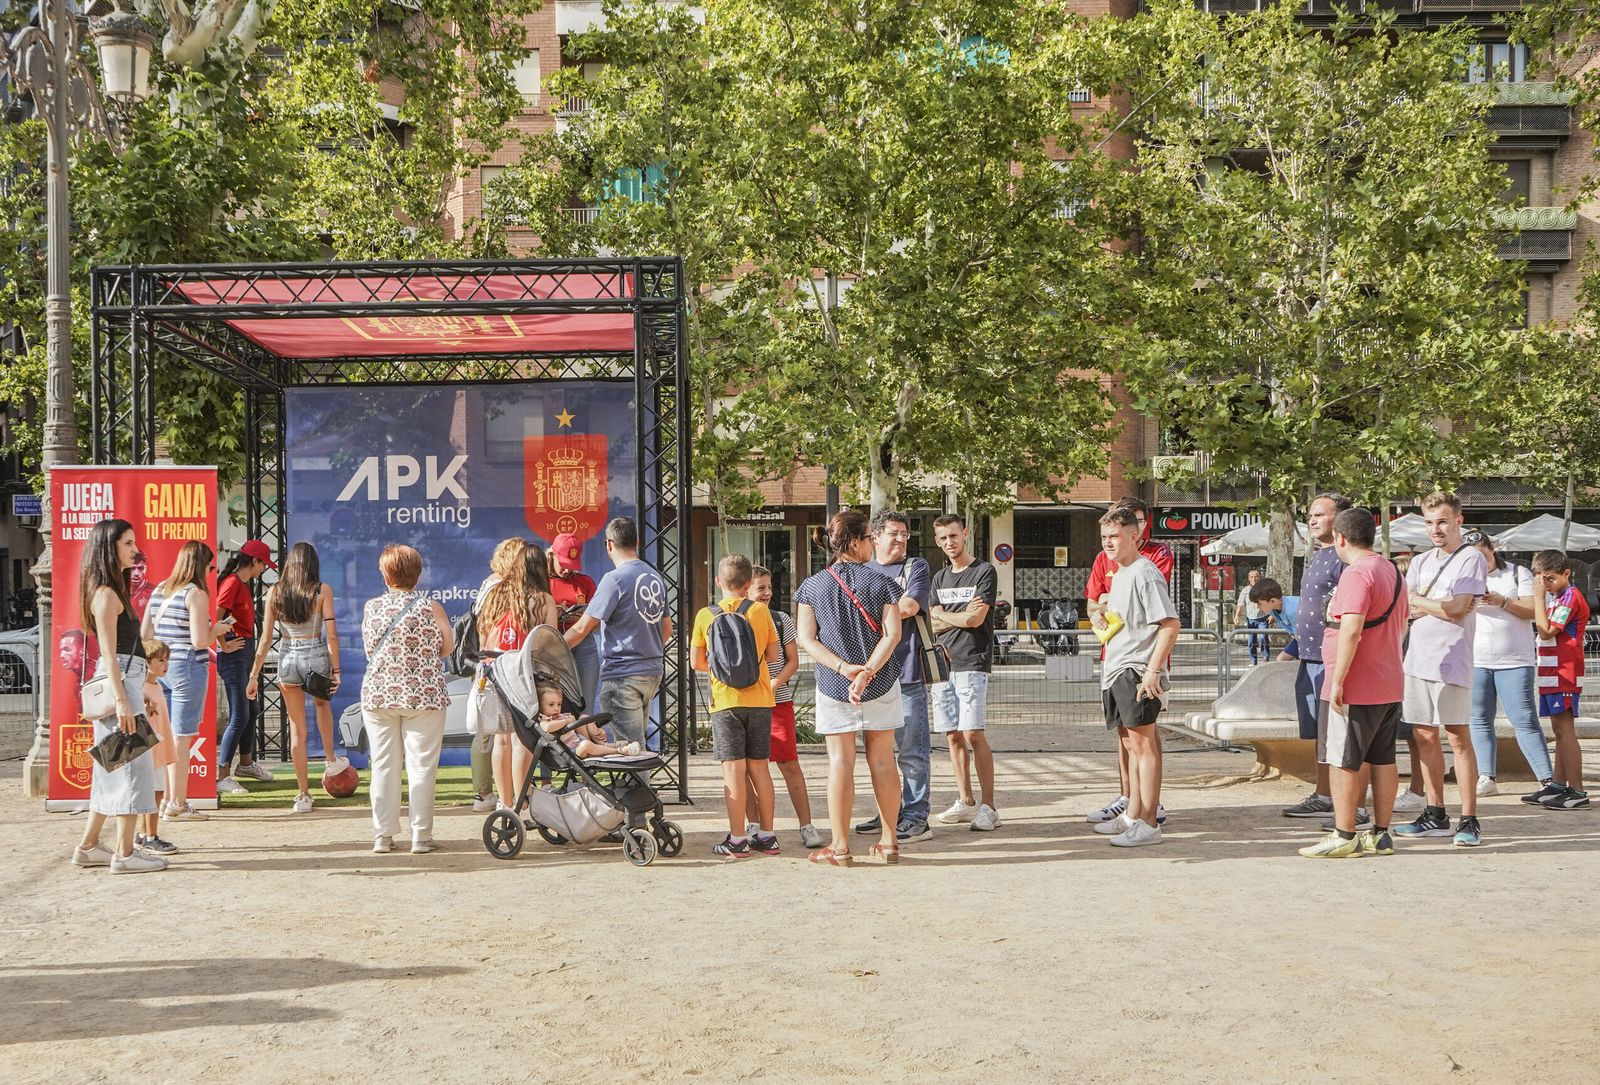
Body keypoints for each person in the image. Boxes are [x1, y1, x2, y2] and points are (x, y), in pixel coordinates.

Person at [794, 509, 904, 867]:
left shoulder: (812, 586)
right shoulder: (884, 584)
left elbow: (806, 639)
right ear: (855, 542)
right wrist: (869, 670)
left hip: (834, 685)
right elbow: (892, 634)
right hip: (882, 682)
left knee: (840, 763)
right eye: (871, 536)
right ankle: (889, 842)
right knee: (884, 761)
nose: (875, 542)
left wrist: (845, 668)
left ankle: (840, 847)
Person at [1299, 508, 1409, 858]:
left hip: (1356, 683)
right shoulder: (1391, 569)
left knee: (1342, 759)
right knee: (1383, 758)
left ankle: (1344, 832)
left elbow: (1351, 629)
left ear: (1341, 538)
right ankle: (1380, 833)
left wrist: (1339, 680)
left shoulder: (1356, 574)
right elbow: (1403, 624)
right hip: (1388, 679)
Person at [70, 518, 167, 874]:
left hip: (126, 683)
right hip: (120, 685)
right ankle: (125, 854)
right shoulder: (106, 594)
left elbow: (123, 653)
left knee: (112, 767)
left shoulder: (110, 591)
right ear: (108, 548)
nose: (135, 550)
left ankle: (89, 846)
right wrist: (126, 700)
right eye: (127, 543)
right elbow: (110, 654)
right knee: (131, 768)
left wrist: (137, 693)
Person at [1396, 492, 1487, 847]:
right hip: (1417, 657)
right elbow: (1411, 608)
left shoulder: (1470, 559)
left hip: (1452, 659)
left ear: (1458, 521)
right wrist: (1432, 604)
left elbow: (1458, 608)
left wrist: (1420, 601)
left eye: (1442, 521)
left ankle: (1470, 818)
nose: (1435, 529)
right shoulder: (1420, 561)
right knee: (1423, 736)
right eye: (1430, 522)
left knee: (1458, 737)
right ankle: (1435, 812)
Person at [1093, 507, 1180, 848]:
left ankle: (1148, 822)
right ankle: (1133, 812)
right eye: (1104, 537)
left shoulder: (1146, 572)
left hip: (1136, 670)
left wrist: (1153, 671)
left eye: (1114, 536)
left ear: (1134, 535)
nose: (1108, 543)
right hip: (1116, 667)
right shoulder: (1122, 572)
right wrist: (1101, 615)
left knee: (1143, 745)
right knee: (1131, 743)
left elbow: (1170, 624)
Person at [360, 543, 454, 855]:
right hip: (424, 693)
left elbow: (369, 651)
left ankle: (383, 836)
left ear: (386, 575)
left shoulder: (371, 608)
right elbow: (447, 648)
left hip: (379, 692)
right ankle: (420, 836)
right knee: (422, 766)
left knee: (384, 766)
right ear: (418, 574)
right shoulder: (431, 608)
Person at [691, 553, 781, 859]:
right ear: (747, 584)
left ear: (718, 582)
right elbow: (772, 656)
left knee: (733, 771)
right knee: (760, 770)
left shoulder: (705, 615)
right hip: (760, 700)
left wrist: (723, 670)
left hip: (725, 702)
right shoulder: (760, 612)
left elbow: (697, 662)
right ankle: (767, 836)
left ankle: (738, 838)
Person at [245, 542, 347, 813]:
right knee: (322, 705)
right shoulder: (321, 590)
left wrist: (254, 675)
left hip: (287, 659)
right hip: (316, 655)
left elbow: (266, 640)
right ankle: (330, 759)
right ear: (313, 563)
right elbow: (332, 635)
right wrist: (336, 670)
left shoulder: (274, 593)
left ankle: (303, 795)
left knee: (297, 729)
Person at [1280, 493, 1361, 821]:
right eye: (1310, 515)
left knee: (1341, 732)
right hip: (1310, 656)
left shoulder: (1346, 558)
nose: (1312, 520)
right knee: (1321, 732)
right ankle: (1324, 794)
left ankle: (1351, 801)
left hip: (1333, 658)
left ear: (1339, 520)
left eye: (1319, 515)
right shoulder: (1318, 554)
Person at [858, 510, 935, 843]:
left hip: (906, 673)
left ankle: (917, 816)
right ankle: (890, 809)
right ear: (875, 538)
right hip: (872, 676)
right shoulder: (861, 570)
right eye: (894, 533)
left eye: (905, 534)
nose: (901, 539)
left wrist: (866, 615)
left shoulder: (914, 567)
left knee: (912, 751)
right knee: (880, 753)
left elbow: (909, 608)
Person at [143, 540, 232, 823]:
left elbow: (146, 631)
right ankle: (177, 804)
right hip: (188, 666)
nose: (212, 571)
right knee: (182, 739)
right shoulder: (195, 594)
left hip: (162, 668)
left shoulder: (159, 589)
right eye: (210, 566)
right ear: (201, 565)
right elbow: (199, 641)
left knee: (168, 739)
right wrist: (217, 628)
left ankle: (168, 800)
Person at [563, 517, 672, 748]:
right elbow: (667, 628)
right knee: (636, 745)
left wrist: (551, 650)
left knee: (629, 748)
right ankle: (634, 785)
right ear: (637, 542)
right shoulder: (655, 577)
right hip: (652, 671)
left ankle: (639, 786)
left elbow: (582, 628)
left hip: (623, 674)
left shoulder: (614, 579)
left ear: (609, 544)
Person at [928, 514, 1002, 832]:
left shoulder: (984, 571)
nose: (949, 543)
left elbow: (975, 621)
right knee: (952, 735)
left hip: (973, 661)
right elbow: (931, 621)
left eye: (954, 536)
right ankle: (965, 800)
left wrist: (945, 615)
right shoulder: (939, 579)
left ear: (965, 534)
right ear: (937, 541)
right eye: (943, 538)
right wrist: (958, 615)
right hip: (942, 664)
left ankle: (990, 806)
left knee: (973, 733)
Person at [743, 564, 823, 849]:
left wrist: (776, 682)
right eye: (760, 587)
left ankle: (806, 824)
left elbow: (793, 660)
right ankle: (755, 825)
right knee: (747, 768)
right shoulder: (733, 618)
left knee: (789, 763)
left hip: (778, 703)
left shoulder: (781, 619)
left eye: (769, 587)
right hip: (746, 705)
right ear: (745, 588)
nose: (766, 593)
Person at [478, 542, 559, 811]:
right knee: (522, 740)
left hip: (495, 672)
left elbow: (483, 636)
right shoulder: (544, 599)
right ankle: (523, 799)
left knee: (501, 740)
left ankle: (504, 802)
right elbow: (549, 643)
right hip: (525, 676)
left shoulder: (496, 594)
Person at [1466, 532, 1546, 799]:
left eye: (1483, 555)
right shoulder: (1463, 576)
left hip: (1515, 660)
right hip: (1475, 659)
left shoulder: (1515, 573)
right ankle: (1486, 776)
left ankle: (1547, 780)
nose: (1479, 561)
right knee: (1478, 720)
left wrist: (1503, 602)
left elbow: (1534, 609)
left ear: (1492, 548)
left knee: (1524, 719)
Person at [467, 538, 527, 813]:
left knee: (490, 734)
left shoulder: (488, 585)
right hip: (512, 666)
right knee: (513, 736)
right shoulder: (514, 589)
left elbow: (482, 629)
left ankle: (491, 796)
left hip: (487, 665)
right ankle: (517, 798)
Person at [1529, 549, 1590, 809]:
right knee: (1558, 729)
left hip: (1564, 671)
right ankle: (1558, 783)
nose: (1545, 584)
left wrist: (1538, 597)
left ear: (1566, 573)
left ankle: (1577, 790)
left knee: (1565, 730)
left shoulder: (1570, 597)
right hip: (1551, 671)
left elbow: (1545, 631)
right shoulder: (1557, 596)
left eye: (1550, 579)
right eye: (1541, 579)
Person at [215, 539, 276, 795]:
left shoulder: (240, 584)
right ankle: (222, 774)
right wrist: (223, 644)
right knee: (240, 714)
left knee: (252, 708)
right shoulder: (231, 583)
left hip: (244, 651)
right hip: (235, 653)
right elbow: (217, 616)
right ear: (254, 561)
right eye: (263, 564)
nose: (264, 569)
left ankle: (246, 764)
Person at [135, 638, 179, 856]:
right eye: (160, 660)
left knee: (154, 791)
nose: (165, 664)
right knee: (155, 792)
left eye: (167, 659)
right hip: (151, 749)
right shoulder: (142, 688)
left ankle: (144, 834)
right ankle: (150, 836)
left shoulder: (155, 685)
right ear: (146, 662)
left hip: (157, 747)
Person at [549, 531, 601, 712]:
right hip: (552, 643)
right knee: (553, 702)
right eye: (562, 564)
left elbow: (597, 624)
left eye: (570, 565)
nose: (566, 570)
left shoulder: (585, 583)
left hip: (583, 643)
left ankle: (585, 736)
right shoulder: (541, 582)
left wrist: (583, 618)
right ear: (552, 555)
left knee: (585, 702)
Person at [535, 682, 639, 758]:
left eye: (559, 704)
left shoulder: (561, 715)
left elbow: (577, 728)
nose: (556, 708)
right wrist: (566, 722)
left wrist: (597, 730)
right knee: (586, 745)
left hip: (579, 740)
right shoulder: (545, 720)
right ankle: (619, 751)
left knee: (584, 718)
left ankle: (603, 745)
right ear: (540, 705)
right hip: (572, 751)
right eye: (551, 704)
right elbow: (547, 727)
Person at [1234, 568, 1270, 664]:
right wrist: (1237, 616)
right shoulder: (1245, 591)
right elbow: (1240, 604)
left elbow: (1271, 603)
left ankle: (1265, 657)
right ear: (1249, 578)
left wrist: (1272, 616)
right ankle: (1253, 660)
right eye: (1252, 577)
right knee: (1251, 641)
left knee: (1263, 638)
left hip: (1263, 618)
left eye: (1256, 576)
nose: (1254, 579)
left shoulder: (1265, 589)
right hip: (1251, 619)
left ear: (1259, 578)